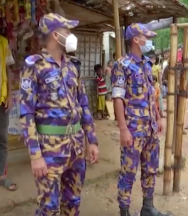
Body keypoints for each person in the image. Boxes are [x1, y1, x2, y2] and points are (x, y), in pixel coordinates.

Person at [19, 13, 99, 215]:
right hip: (49, 150)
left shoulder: (72, 67)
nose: (71, 35)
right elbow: (26, 113)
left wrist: (92, 140)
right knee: (49, 208)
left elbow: (83, 104)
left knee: (73, 202)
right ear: (56, 35)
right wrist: (35, 155)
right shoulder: (35, 67)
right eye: (68, 31)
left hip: (76, 148)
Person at [111, 23, 170, 216]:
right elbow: (118, 97)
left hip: (150, 127)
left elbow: (151, 94)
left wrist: (158, 116)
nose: (148, 40)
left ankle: (148, 207)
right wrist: (123, 129)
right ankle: (124, 211)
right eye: (146, 36)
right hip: (134, 128)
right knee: (129, 171)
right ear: (136, 39)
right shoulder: (122, 65)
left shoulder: (146, 64)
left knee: (150, 169)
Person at [0, 34, 16, 191]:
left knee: (2, 138)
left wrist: (10, 95)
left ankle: (2, 176)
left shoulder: (3, 42)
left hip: (2, 99)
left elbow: (8, 69)